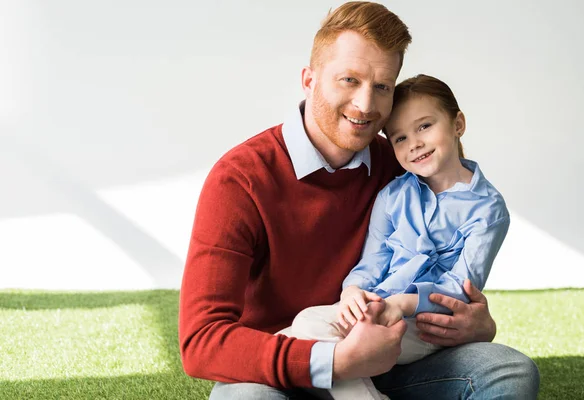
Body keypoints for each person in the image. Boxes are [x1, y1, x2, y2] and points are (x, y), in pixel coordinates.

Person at [179, 2, 540, 399]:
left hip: (387, 356)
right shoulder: (240, 179)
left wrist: (478, 325)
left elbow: (455, 249)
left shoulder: (402, 165)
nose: (366, 105)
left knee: (509, 372)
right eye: (349, 80)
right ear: (309, 80)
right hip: (278, 369)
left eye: (382, 86)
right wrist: (336, 363)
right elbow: (201, 342)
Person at [283, 74, 511, 400]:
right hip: (376, 308)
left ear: (457, 123)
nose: (414, 143)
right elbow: (373, 260)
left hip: (425, 322)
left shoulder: (488, 209)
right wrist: (352, 292)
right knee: (293, 334)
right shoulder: (392, 195)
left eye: (424, 126)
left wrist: (401, 303)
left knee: (307, 331)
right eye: (400, 138)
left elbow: (462, 287)